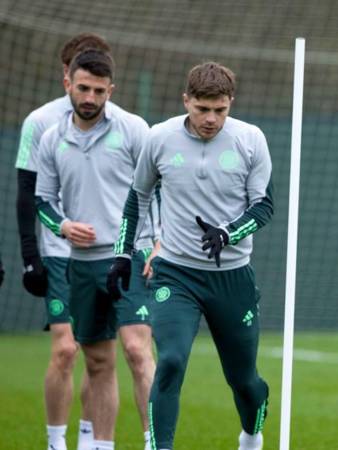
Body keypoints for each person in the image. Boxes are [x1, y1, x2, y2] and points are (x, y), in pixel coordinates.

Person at [107, 61, 273, 450]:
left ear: (231, 103)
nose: (211, 119)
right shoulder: (159, 138)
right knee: (170, 362)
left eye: (220, 109)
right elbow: (137, 198)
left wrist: (228, 233)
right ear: (186, 101)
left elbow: (263, 206)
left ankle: (251, 436)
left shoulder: (250, 139)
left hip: (232, 277)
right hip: (175, 274)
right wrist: (122, 254)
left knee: (244, 380)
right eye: (202, 109)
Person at [34, 49, 157, 450]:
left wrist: (160, 241)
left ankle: (156, 442)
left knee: (138, 352)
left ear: (111, 90)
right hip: (82, 264)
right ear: (68, 83)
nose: (90, 97)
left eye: (99, 91)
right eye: (83, 88)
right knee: (99, 362)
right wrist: (64, 226)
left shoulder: (135, 129)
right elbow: (43, 201)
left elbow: (163, 188)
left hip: (130, 256)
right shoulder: (51, 138)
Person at [16, 33, 116, 450]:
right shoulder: (40, 123)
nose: (90, 88)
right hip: (59, 255)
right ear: (67, 76)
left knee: (100, 357)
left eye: (99, 78)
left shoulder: (122, 124)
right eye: (82, 75)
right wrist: (30, 257)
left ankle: (89, 440)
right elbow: (29, 194)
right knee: (64, 350)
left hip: (105, 256)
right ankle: (55, 442)